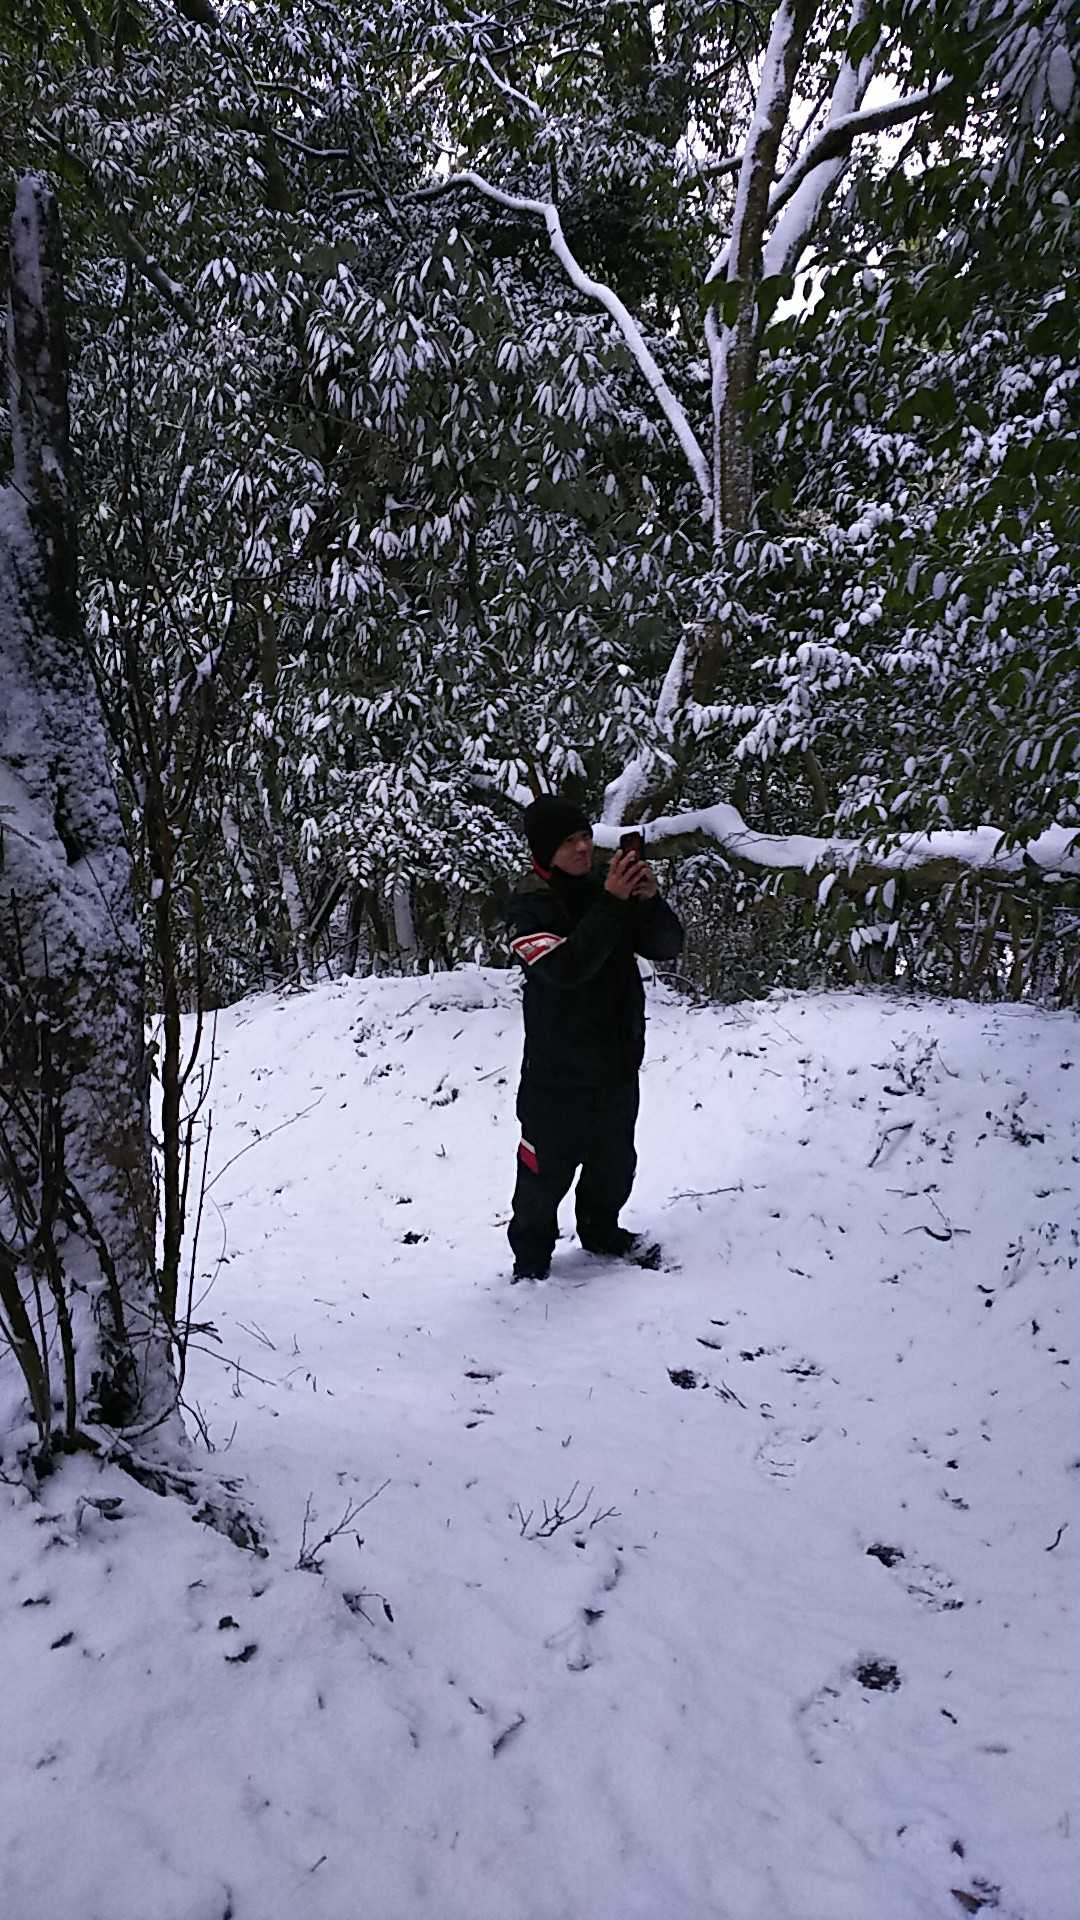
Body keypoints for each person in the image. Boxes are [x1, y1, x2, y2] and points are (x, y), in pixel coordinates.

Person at [506, 794, 684, 1281]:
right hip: (556, 1071)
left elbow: (666, 946)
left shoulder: (604, 889)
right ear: (545, 850)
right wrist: (612, 901)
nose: (583, 847)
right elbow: (567, 969)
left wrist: (648, 901)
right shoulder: (529, 905)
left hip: (616, 1059)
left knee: (614, 1161)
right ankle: (530, 1263)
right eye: (569, 841)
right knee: (544, 1170)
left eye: (586, 836)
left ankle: (602, 1233)